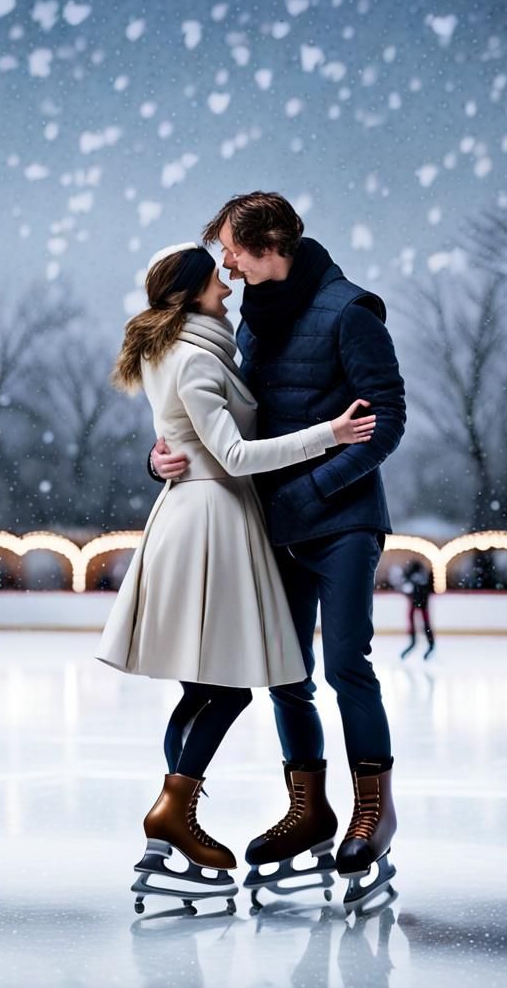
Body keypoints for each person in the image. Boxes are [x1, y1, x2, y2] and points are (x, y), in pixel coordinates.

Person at [97, 241, 376, 914]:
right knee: (225, 689)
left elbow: (184, 436)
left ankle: (172, 817)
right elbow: (234, 454)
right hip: (212, 523)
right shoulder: (195, 357)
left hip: (195, 514)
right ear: (191, 294)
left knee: (201, 688)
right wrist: (330, 435)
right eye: (215, 280)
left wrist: (160, 459)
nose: (227, 286)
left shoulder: (179, 349)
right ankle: (174, 810)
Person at [151, 193, 406, 910]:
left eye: (232, 249)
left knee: (347, 664)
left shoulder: (351, 312)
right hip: (274, 525)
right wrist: (162, 456)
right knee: (286, 677)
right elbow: (221, 423)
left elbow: (387, 423)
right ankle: (309, 809)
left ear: (268, 244)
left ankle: (373, 811)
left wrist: (313, 490)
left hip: (343, 519)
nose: (226, 265)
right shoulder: (250, 321)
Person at [400, 559, 436, 660]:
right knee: (425, 623)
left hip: (418, 603)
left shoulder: (411, 578)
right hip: (421, 603)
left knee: (421, 622)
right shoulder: (423, 577)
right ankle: (426, 643)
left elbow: (406, 589)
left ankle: (415, 642)